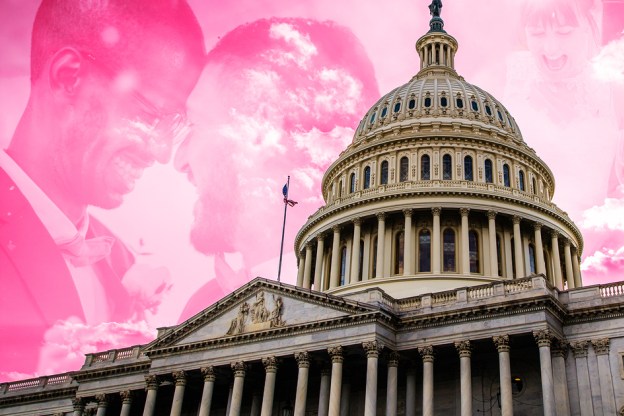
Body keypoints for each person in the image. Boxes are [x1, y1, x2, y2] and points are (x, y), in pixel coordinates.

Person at [0, 0, 205, 376]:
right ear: (68, 77)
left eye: (173, 127)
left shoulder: (120, 261)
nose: (161, 153)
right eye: (149, 115)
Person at [175, 18, 379, 321]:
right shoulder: (201, 307)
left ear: (263, 133)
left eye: (196, 122)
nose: (179, 160)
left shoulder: (364, 290)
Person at [505, 0, 624, 221]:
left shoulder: (618, 90)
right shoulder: (507, 79)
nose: (551, 48)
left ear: (587, 26)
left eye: (564, 32)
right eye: (538, 34)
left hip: (592, 234)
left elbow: (623, 184)